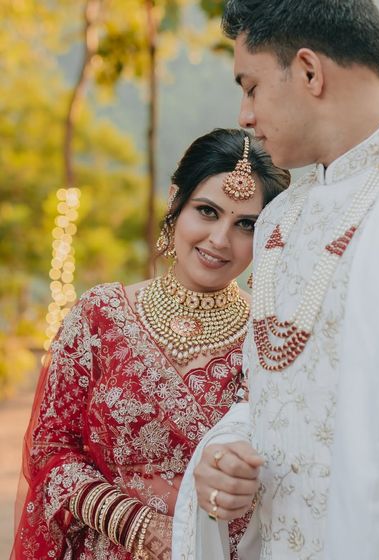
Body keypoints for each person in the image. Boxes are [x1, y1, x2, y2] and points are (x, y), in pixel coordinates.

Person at [173, 2, 379, 559]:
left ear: (309, 71)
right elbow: (282, 395)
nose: (244, 114)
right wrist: (224, 455)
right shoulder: (279, 221)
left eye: (252, 86)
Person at [11, 128, 290, 560]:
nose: (219, 239)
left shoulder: (268, 336)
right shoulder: (99, 315)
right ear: (175, 203)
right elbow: (51, 448)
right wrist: (132, 522)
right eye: (207, 211)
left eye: (246, 224)